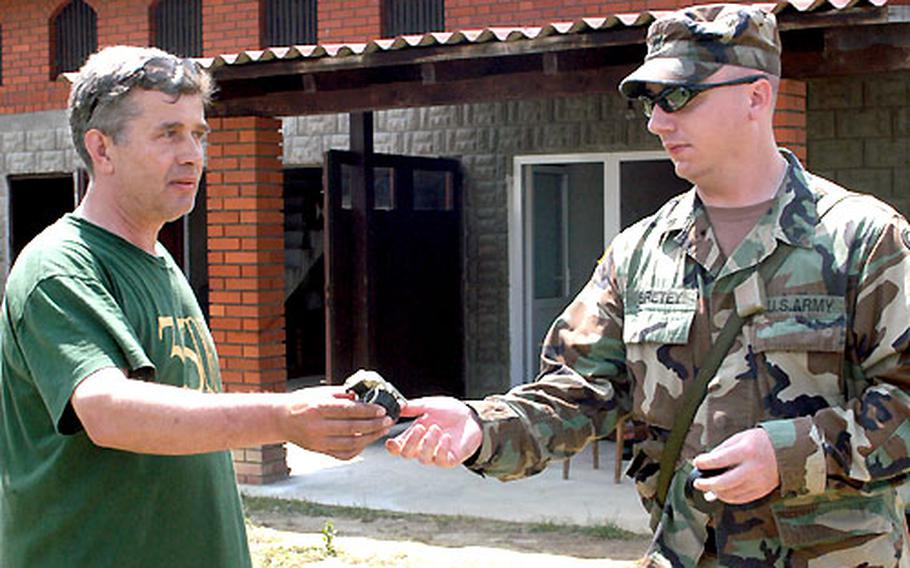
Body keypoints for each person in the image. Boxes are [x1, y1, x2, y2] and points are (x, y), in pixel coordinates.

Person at [386, 4, 910, 566]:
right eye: (649, 102)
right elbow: (577, 393)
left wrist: (789, 453)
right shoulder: (639, 253)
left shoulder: (865, 241)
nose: (658, 121)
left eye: (679, 97)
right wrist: (478, 426)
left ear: (757, 97)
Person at [0, 46, 393, 568]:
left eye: (197, 134)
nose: (192, 154)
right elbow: (107, 411)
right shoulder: (60, 269)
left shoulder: (157, 259)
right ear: (102, 148)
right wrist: (284, 416)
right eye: (168, 134)